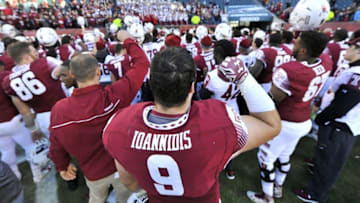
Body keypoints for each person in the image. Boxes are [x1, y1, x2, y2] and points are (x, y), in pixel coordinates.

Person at [103, 46, 281, 203]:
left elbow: (130, 183)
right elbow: (270, 125)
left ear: (151, 85)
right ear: (192, 88)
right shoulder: (219, 122)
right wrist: (244, 78)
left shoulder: (119, 125)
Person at [49, 31, 149, 203]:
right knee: (127, 198)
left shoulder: (59, 109)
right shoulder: (114, 95)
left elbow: (56, 142)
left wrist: (62, 165)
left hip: (93, 173)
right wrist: (127, 39)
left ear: (72, 74)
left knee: (96, 198)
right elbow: (142, 64)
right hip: (121, 168)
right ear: (97, 72)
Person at [247, 31, 332, 203]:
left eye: (297, 42)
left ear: (303, 51)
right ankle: (278, 185)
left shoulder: (289, 71)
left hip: (285, 121)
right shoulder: (326, 62)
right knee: (285, 155)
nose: (294, 44)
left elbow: (273, 101)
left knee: (266, 158)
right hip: (304, 119)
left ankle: (267, 196)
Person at [296, 37, 360, 203]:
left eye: (351, 47)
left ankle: (315, 195)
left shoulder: (356, 73)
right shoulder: (352, 69)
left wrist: (322, 118)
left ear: (359, 51)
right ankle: (317, 172)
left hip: (341, 124)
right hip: (340, 122)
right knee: (325, 155)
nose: (347, 50)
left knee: (330, 163)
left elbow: (342, 105)